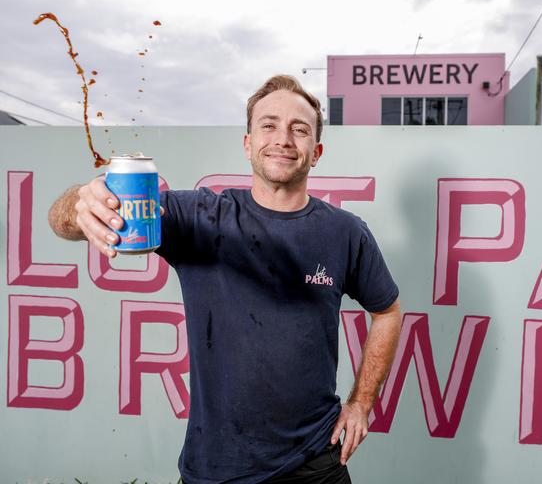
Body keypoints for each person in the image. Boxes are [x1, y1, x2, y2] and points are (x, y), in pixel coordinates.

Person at [48, 75, 402, 484]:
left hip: (316, 465)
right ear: (248, 143)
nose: (283, 139)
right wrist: (81, 203)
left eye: (299, 129)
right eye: (268, 125)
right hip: (215, 469)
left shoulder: (345, 233)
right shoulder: (199, 217)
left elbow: (388, 312)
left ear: (316, 152)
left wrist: (361, 403)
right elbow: (60, 221)